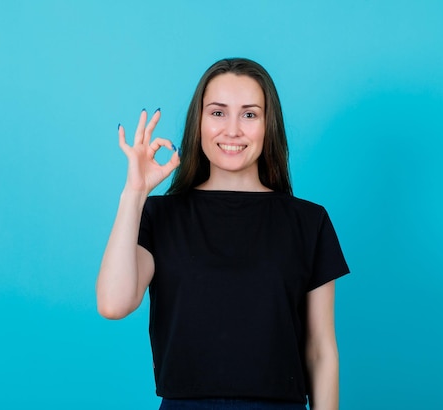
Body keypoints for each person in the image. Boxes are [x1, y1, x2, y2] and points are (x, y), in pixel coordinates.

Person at [96, 58, 349, 410]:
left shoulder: (308, 221)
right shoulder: (159, 214)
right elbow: (113, 304)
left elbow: (321, 350)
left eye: (249, 114)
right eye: (217, 113)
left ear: (268, 125)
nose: (232, 130)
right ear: (197, 122)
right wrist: (134, 194)